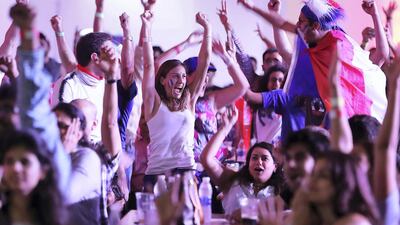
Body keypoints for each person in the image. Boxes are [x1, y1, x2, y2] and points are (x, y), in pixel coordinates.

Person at [238, 0, 387, 124]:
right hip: (335, 124)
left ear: (315, 26)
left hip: (361, 118)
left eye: (301, 21)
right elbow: (283, 33)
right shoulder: (314, 52)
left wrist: (375, 14)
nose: (297, 25)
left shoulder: (339, 44)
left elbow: (381, 56)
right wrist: (261, 10)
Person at [141, 6, 212, 186]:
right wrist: (147, 27)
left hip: (186, 173)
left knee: (190, 216)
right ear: (163, 80)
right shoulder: (153, 101)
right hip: (157, 175)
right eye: (175, 76)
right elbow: (149, 66)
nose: (181, 80)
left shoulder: (189, 100)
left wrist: (207, 29)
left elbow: (204, 62)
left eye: (183, 76)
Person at [200, 107, 283, 220]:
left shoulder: (282, 190)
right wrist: (225, 128)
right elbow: (206, 158)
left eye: (264, 159)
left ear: (275, 166)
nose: (259, 162)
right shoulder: (233, 180)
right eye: (254, 158)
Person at [291, 151, 380, 225]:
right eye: (313, 174)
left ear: (344, 183)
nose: (312, 180)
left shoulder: (355, 222)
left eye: (323, 176)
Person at [0, 130, 66, 225]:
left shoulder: (53, 217)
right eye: (9, 161)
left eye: (25, 162)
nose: (16, 168)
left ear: (43, 171)